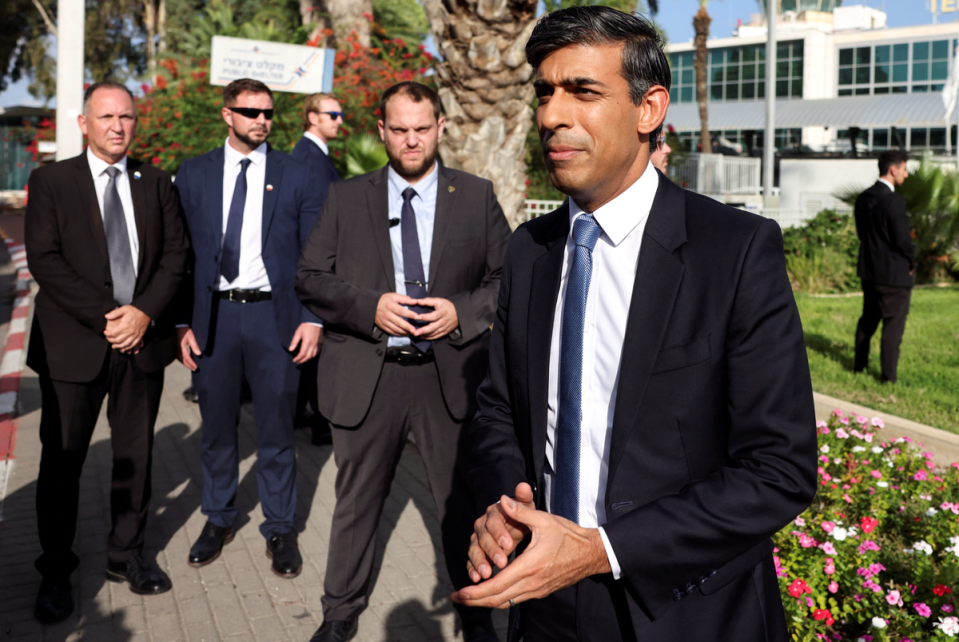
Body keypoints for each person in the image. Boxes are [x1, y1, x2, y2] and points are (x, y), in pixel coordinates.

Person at [451, 8, 817, 642]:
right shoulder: (530, 250)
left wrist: (602, 549)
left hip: (685, 609)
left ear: (649, 110)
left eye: (583, 92)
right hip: (544, 608)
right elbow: (499, 413)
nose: (551, 116)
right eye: (545, 92)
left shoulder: (732, 250)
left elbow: (778, 469)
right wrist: (508, 508)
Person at [295, 81, 511, 642]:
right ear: (382, 131)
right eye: (399, 129)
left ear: (440, 127)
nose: (411, 140)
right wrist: (373, 308)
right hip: (370, 376)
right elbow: (310, 278)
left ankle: (477, 613)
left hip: (448, 382)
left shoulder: (477, 195)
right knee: (355, 506)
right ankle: (339, 613)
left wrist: (459, 312)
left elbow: (507, 279)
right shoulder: (346, 197)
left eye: (421, 128)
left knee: (461, 508)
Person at [25, 80, 189, 623]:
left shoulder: (156, 180)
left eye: (127, 117)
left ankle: (128, 555)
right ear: (84, 123)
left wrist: (141, 313)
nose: (118, 127)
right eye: (106, 117)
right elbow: (45, 260)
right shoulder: (51, 181)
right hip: (74, 345)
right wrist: (107, 317)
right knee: (62, 462)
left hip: (141, 342)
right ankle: (54, 569)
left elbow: (175, 256)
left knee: (135, 458)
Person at [173, 78, 325, 578]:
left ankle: (280, 527)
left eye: (268, 113)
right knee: (216, 427)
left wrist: (312, 319)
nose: (261, 120)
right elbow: (181, 257)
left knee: (278, 428)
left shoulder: (297, 173)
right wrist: (180, 323)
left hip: (273, 317)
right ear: (226, 115)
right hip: (214, 317)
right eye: (250, 111)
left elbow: (315, 255)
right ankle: (218, 517)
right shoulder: (193, 174)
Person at [290, 92, 343, 443]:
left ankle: (303, 414)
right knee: (316, 347)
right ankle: (320, 420)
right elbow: (314, 227)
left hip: (316, 270)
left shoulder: (315, 156)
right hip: (315, 271)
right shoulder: (307, 159)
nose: (340, 120)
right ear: (312, 117)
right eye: (333, 114)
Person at [853, 149, 914, 384]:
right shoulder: (894, 201)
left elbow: (862, 234)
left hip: (869, 271)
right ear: (894, 169)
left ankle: (859, 366)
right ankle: (888, 378)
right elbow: (902, 240)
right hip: (894, 275)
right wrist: (911, 261)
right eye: (905, 169)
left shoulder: (864, 197)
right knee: (893, 326)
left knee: (868, 319)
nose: (906, 175)